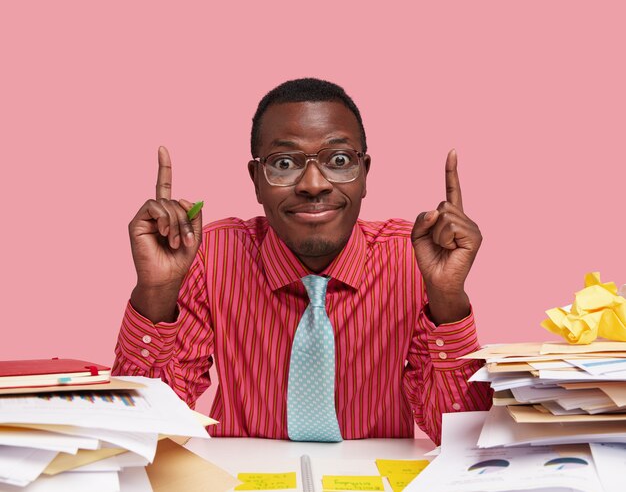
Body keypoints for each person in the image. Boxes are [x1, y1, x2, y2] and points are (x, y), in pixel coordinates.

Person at [113, 78, 491, 444]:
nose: (313, 184)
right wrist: (156, 292)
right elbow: (146, 433)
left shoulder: (413, 257)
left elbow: (461, 438)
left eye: (339, 159)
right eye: (284, 163)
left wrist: (447, 298)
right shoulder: (212, 254)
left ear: (364, 175)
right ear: (256, 180)